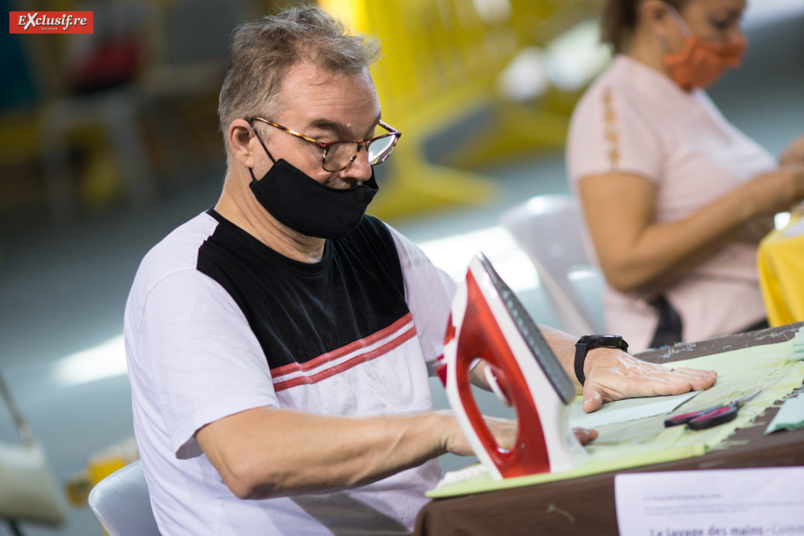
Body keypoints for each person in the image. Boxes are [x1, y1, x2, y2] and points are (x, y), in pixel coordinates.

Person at [124, 6, 717, 535]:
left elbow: (488, 342)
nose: (358, 170)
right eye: (327, 145)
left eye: (368, 141)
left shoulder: (369, 244)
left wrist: (592, 359)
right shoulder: (190, 282)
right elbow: (250, 458)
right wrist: (441, 429)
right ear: (245, 140)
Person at [566, 0, 804, 353]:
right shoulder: (614, 109)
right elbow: (624, 264)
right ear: (659, 15)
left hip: (761, 314)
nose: (736, 40)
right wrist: (755, 197)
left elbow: (700, 194)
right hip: (705, 343)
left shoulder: (678, 94)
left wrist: (782, 170)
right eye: (722, 23)